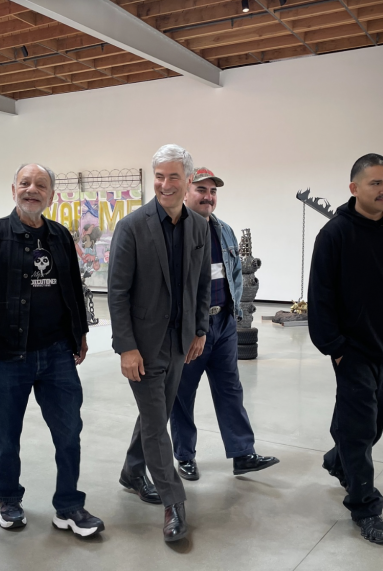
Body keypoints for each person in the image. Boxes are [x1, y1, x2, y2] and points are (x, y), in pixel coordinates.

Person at [0, 164, 104, 538]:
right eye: (25, 183)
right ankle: (8, 498)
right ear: (13, 189)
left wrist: (80, 334)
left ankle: (69, 505)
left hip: (58, 353)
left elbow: (73, 288)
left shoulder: (59, 235)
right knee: (8, 435)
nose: (32, 190)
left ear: (51, 195)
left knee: (69, 432)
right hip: (9, 355)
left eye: (41, 185)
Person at [307, 153, 383, 545]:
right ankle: (365, 507)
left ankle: (337, 461)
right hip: (352, 351)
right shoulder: (335, 234)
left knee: (375, 422)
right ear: (354, 188)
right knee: (358, 430)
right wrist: (335, 347)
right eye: (375, 183)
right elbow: (320, 296)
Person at [108, 145, 211, 542]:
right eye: (159, 176)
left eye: (173, 177)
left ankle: (132, 471)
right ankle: (174, 504)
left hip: (180, 341)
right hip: (144, 345)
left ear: (187, 181)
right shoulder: (132, 226)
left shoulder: (200, 227)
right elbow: (117, 292)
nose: (165, 184)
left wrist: (199, 330)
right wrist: (126, 348)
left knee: (156, 416)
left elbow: (202, 285)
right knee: (156, 423)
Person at [169, 167, 279, 481]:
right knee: (182, 395)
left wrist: (233, 314)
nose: (208, 196)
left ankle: (242, 454)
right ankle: (185, 456)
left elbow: (233, 276)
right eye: (201, 190)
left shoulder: (225, 231)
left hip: (224, 325)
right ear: (187, 191)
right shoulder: (175, 232)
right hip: (190, 328)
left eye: (213, 191)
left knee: (230, 390)